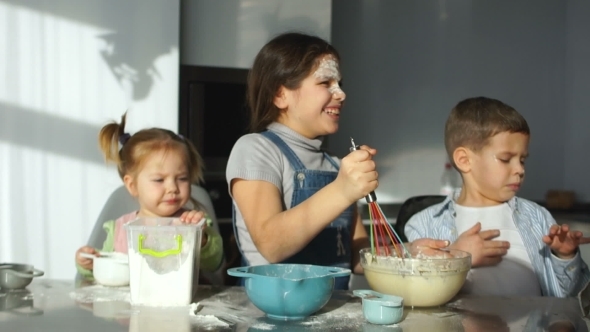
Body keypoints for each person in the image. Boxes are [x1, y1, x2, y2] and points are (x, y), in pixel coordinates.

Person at [226, 32, 447, 290]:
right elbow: (271, 245)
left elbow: (357, 254)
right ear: (280, 94)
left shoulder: (334, 165)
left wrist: (408, 251)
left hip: (333, 313)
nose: (340, 94)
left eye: (339, 83)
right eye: (325, 83)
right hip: (272, 315)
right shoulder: (256, 149)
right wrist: (343, 189)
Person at [405, 96, 590, 298]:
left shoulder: (537, 217)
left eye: (522, 160)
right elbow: (416, 293)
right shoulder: (423, 225)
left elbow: (569, 298)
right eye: (505, 159)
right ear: (464, 160)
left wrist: (565, 256)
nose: (519, 169)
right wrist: (456, 258)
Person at [75, 113, 223, 280]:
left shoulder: (194, 222)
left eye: (182, 178)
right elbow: (105, 267)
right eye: (159, 180)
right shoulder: (120, 229)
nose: (172, 188)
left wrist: (200, 238)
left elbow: (215, 263)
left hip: (182, 304)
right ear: (132, 185)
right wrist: (88, 264)